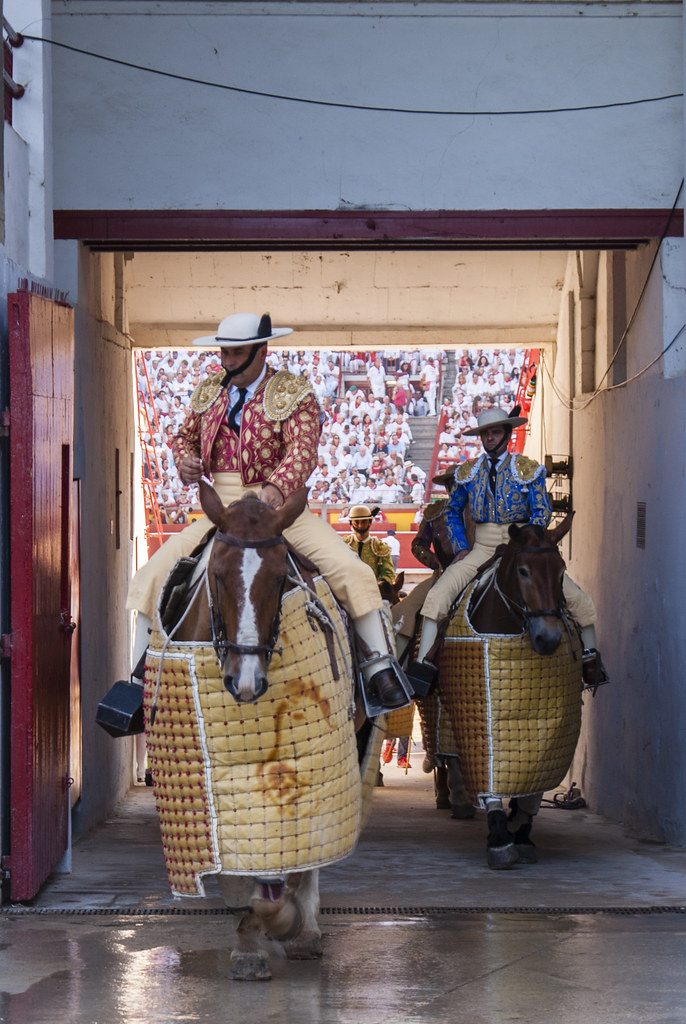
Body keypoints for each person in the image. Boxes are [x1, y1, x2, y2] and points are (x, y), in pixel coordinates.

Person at [126, 312, 409, 711]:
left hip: (279, 513)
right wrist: (185, 461)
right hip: (222, 513)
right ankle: (137, 680)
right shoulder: (210, 391)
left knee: (353, 571)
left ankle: (378, 669)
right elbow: (183, 437)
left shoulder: (293, 392)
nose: (228, 362)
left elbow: (303, 449)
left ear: (261, 351)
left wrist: (276, 488)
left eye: (236, 353)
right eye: (224, 353)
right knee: (151, 575)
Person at [406, 406, 604, 691]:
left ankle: (591, 657)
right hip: (483, 547)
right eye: (485, 433)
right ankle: (423, 667)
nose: (489, 438)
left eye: (495, 432)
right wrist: (461, 547)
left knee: (576, 596)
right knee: (437, 596)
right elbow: (452, 512)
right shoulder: (468, 472)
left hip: (520, 542)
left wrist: (529, 541)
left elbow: (542, 510)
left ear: (507, 434)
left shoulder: (527, 469)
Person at [343, 504, 396, 586]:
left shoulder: (380, 547)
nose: (360, 526)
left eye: (364, 522)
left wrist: (377, 585)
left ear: (370, 523)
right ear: (350, 524)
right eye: (356, 522)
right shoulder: (343, 545)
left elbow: (389, 574)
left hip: (373, 590)